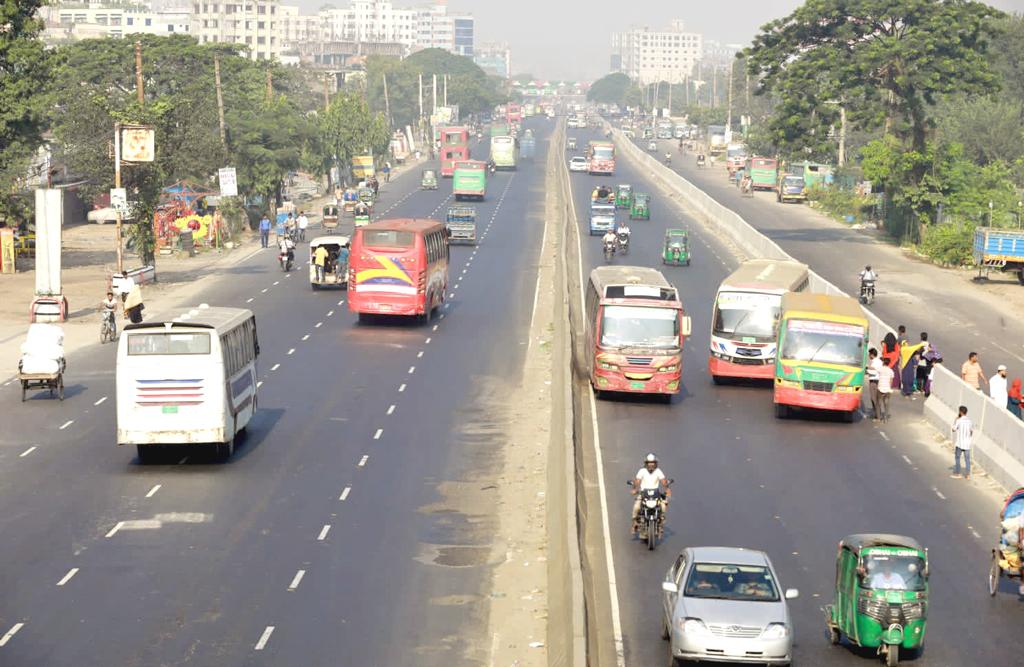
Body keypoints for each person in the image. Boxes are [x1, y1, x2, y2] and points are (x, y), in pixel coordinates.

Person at [631, 453, 671, 535]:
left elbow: (663, 481)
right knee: (636, 507)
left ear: (655, 463)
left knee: (663, 506)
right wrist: (634, 489)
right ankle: (635, 523)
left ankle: (660, 524)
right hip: (643, 494)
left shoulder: (658, 471)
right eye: (649, 463)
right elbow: (637, 481)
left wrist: (667, 489)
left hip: (655, 494)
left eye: (653, 463)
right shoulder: (642, 471)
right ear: (646, 463)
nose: (651, 465)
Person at [951, 405, 973, 479]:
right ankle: (967, 475)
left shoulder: (959, 420)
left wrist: (955, 420)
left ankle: (958, 473)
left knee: (957, 458)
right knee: (967, 460)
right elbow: (971, 431)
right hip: (967, 444)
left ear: (960, 412)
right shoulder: (969, 421)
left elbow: (953, 429)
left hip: (960, 443)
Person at [867, 348, 882, 420]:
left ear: (872, 354)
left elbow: (875, 371)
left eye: (869, 354)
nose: (868, 356)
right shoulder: (876, 361)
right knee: (873, 398)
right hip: (874, 381)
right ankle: (876, 414)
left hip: (874, 381)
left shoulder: (877, 362)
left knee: (874, 399)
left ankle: (878, 416)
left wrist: (868, 370)